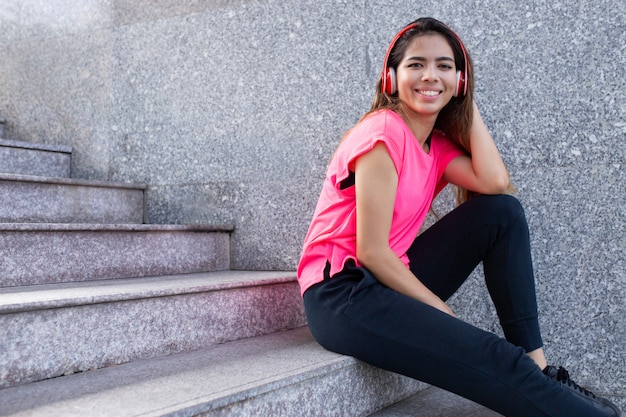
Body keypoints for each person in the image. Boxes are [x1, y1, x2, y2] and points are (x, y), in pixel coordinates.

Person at [297, 17, 621, 417]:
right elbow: (372, 251)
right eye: (416, 65)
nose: (430, 75)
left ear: (461, 80)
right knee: (494, 356)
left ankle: (540, 368)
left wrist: (463, 102)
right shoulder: (383, 132)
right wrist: (440, 309)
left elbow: (495, 182)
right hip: (344, 295)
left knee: (502, 212)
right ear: (391, 77)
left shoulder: (437, 146)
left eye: (445, 67)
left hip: (387, 278)